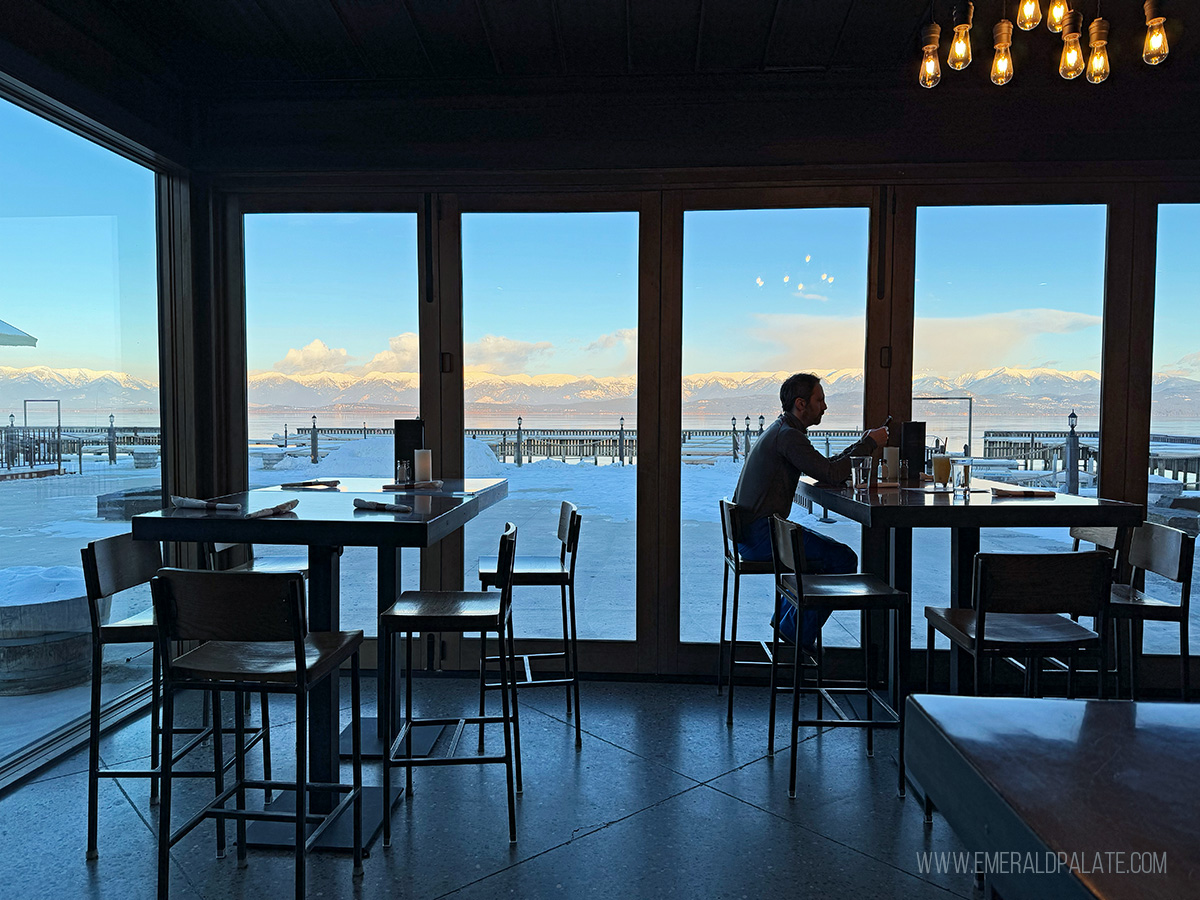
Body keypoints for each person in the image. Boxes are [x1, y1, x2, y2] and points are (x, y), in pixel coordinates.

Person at [731, 373, 888, 653]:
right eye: (820, 400)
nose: (825, 407)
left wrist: (862, 443)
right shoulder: (789, 437)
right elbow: (830, 472)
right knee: (842, 559)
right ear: (801, 404)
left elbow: (827, 468)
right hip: (761, 537)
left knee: (826, 559)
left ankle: (788, 629)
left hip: (754, 533)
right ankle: (794, 639)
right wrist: (871, 444)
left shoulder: (783, 431)